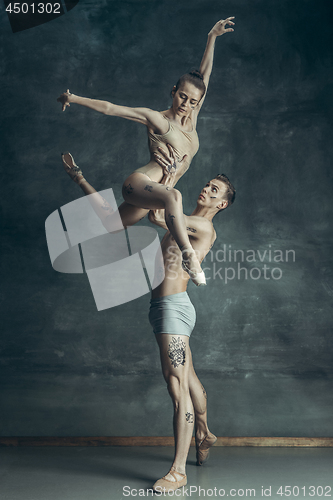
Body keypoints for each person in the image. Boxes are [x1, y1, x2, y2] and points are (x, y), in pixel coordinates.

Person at [57, 17, 235, 286]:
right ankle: (190, 256)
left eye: (193, 101)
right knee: (174, 196)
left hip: (157, 192)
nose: (186, 104)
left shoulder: (193, 116)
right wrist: (73, 98)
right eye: (182, 96)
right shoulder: (157, 119)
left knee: (112, 225)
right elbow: (111, 108)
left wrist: (212, 37)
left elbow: (204, 76)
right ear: (173, 91)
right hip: (140, 183)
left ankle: (77, 176)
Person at [147, 146, 236, 492]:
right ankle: (204, 431)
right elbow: (159, 217)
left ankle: (178, 471)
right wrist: (169, 178)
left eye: (215, 190)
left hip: (173, 309)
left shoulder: (200, 225)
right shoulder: (186, 220)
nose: (207, 189)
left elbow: (166, 213)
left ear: (222, 204)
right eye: (208, 184)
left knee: (177, 385)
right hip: (165, 308)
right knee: (188, 377)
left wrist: (171, 176)